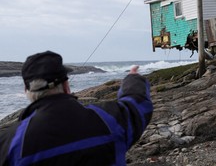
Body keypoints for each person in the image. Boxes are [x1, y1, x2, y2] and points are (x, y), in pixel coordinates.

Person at [0, 51, 153, 166]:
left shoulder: (11, 143)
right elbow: (137, 105)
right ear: (66, 86)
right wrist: (133, 78)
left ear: (27, 91)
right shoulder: (108, 119)